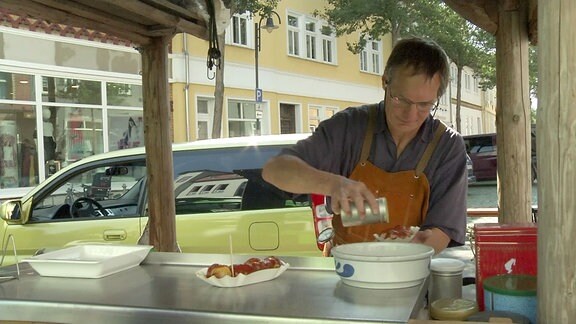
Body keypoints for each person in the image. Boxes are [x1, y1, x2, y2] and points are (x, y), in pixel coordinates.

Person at [262, 37, 467, 254]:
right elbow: (275, 170)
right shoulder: (349, 127)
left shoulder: (447, 146)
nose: (411, 114)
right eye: (401, 100)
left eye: (425, 105)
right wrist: (333, 185)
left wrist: (406, 249)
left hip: (411, 271)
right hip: (346, 268)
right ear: (385, 82)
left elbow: (442, 231)